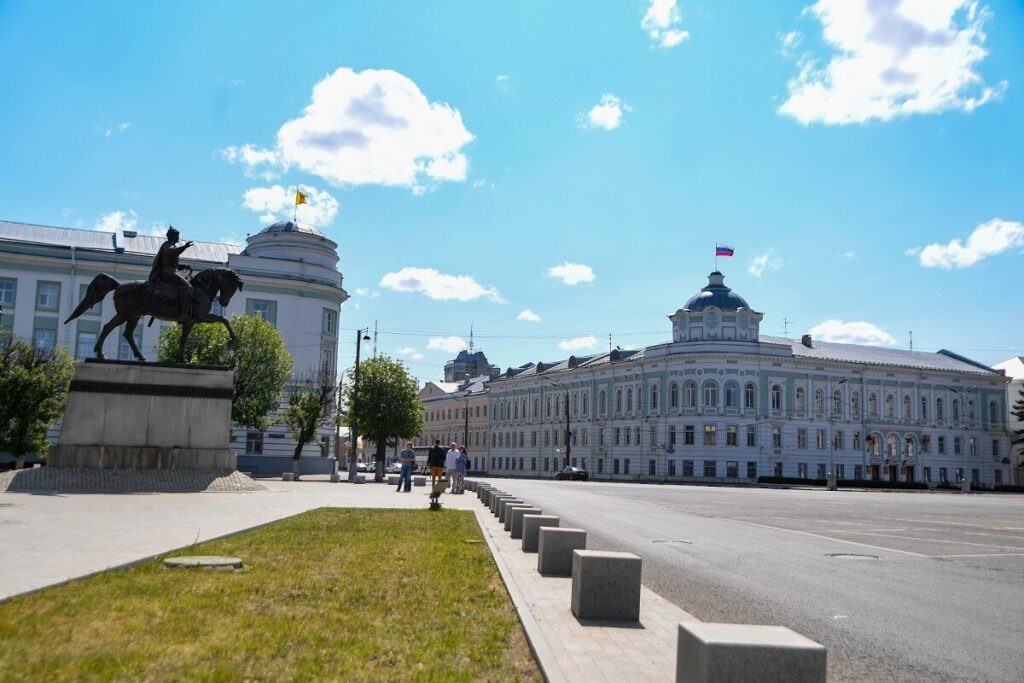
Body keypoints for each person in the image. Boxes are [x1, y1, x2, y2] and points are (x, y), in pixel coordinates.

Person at [149, 226, 195, 318]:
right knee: (188, 288)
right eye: (177, 236)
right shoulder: (167, 245)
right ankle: (183, 312)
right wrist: (185, 247)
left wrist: (183, 266)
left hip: (171, 271)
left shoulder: (171, 245)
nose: (178, 238)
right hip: (168, 273)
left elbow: (170, 261)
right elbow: (172, 253)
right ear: (172, 236)